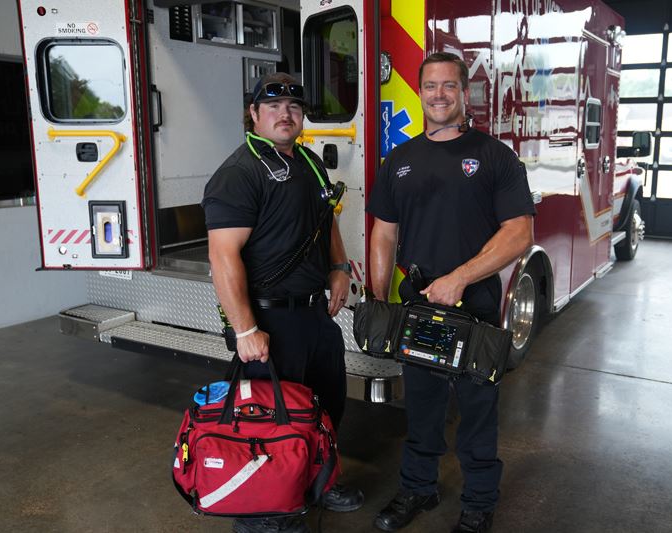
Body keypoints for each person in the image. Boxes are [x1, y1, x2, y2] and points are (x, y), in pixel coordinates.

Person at [367, 53, 536, 533]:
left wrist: (460, 277)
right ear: (419, 92)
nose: (438, 94)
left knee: (477, 408)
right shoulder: (399, 160)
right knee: (421, 405)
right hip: (419, 304)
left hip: (475, 305)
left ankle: (480, 500)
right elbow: (383, 231)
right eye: (430, 86)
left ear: (465, 93)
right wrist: (380, 300)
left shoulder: (494, 156)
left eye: (448, 86)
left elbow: (518, 233)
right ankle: (418, 489)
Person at [202, 72, 364, 533]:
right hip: (269, 322)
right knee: (272, 422)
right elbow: (222, 255)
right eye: (272, 106)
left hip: (314, 316)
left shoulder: (309, 162)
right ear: (253, 115)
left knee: (325, 406)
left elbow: (325, 219)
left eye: (294, 105)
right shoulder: (239, 173)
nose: (285, 113)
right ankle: (268, 512)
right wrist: (246, 331)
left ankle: (320, 480)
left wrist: (338, 267)